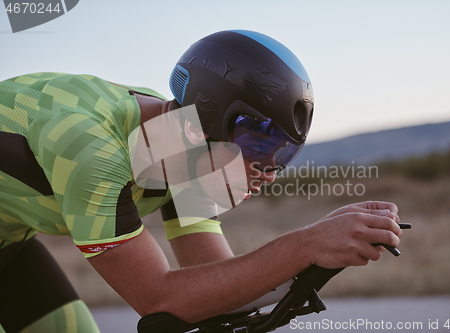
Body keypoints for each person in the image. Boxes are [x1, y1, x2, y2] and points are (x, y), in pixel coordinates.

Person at [0, 30, 403, 333]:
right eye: (257, 149)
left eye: (281, 155)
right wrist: (306, 243)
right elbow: (159, 299)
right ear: (198, 129)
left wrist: (318, 255)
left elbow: (214, 284)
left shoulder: (179, 146)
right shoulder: (89, 146)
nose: (267, 172)